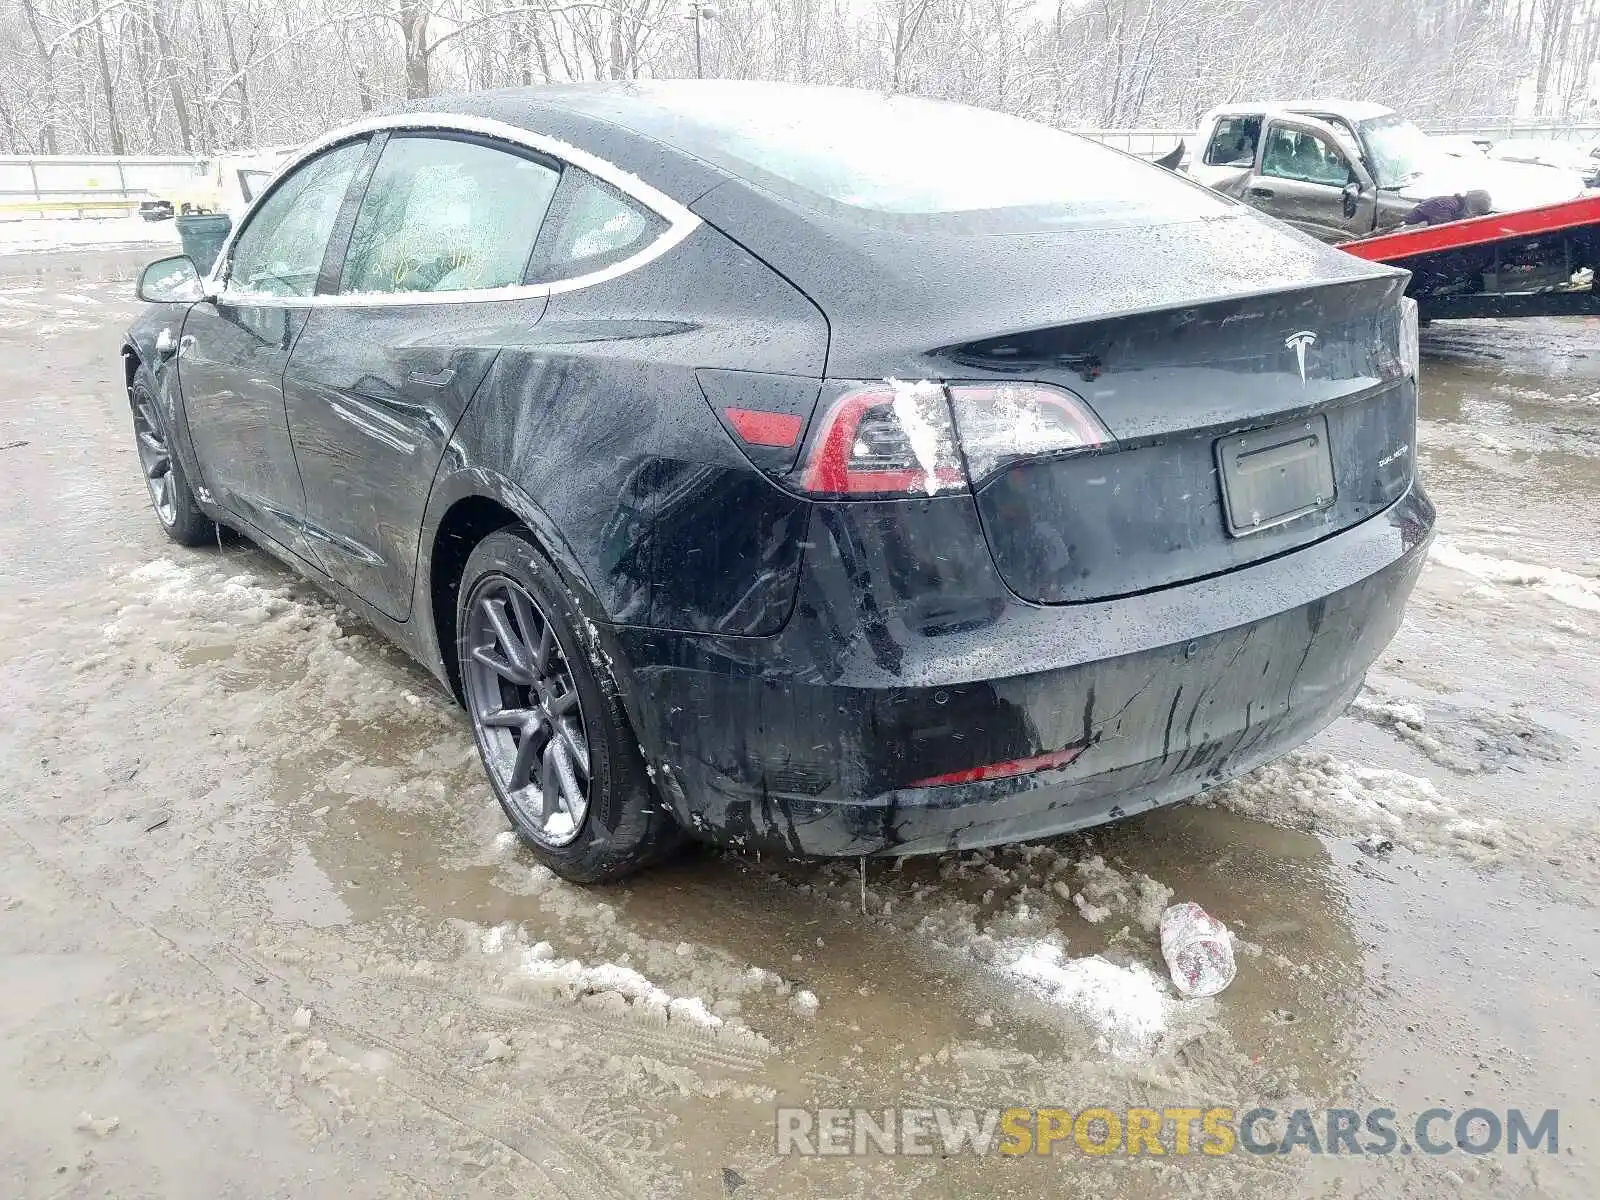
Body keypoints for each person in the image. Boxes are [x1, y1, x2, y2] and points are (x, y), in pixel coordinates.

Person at [1402, 189, 1492, 226]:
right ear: (1473, 205)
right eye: (1476, 212)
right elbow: (1441, 229)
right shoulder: (1445, 205)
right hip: (1406, 233)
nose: (1475, 216)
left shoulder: (1455, 206)